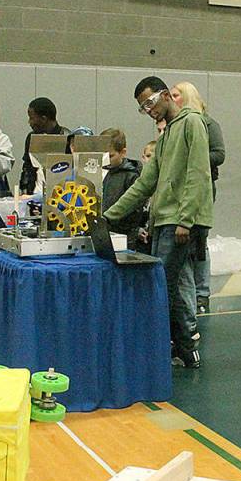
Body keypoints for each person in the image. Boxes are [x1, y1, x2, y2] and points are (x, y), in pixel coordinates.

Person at [103, 76, 213, 369]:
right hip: (164, 220)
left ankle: (173, 346)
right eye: (143, 107)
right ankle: (184, 349)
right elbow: (143, 185)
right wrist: (107, 216)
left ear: (166, 95)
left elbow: (198, 173)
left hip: (181, 222)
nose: (149, 110)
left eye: (150, 102)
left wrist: (186, 221)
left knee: (161, 284)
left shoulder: (192, 123)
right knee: (168, 285)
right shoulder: (165, 137)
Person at [171, 82, 226, 326]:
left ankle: (202, 293)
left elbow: (219, 154)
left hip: (201, 188)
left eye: (175, 95)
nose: (171, 99)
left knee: (199, 241)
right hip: (178, 192)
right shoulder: (174, 125)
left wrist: (196, 156)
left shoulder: (207, 123)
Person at [99, 128, 143, 250]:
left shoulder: (131, 175)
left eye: (111, 156)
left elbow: (134, 209)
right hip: (104, 233)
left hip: (125, 237)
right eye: (102, 155)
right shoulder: (100, 172)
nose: (106, 160)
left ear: (123, 153)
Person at [19, 97, 70, 195]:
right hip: (34, 193)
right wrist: (24, 190)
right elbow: (27, 166)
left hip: (62, 194)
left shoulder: (67, 138)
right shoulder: (31, 137)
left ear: (43, 119)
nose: (29, 122)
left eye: (32, 118)